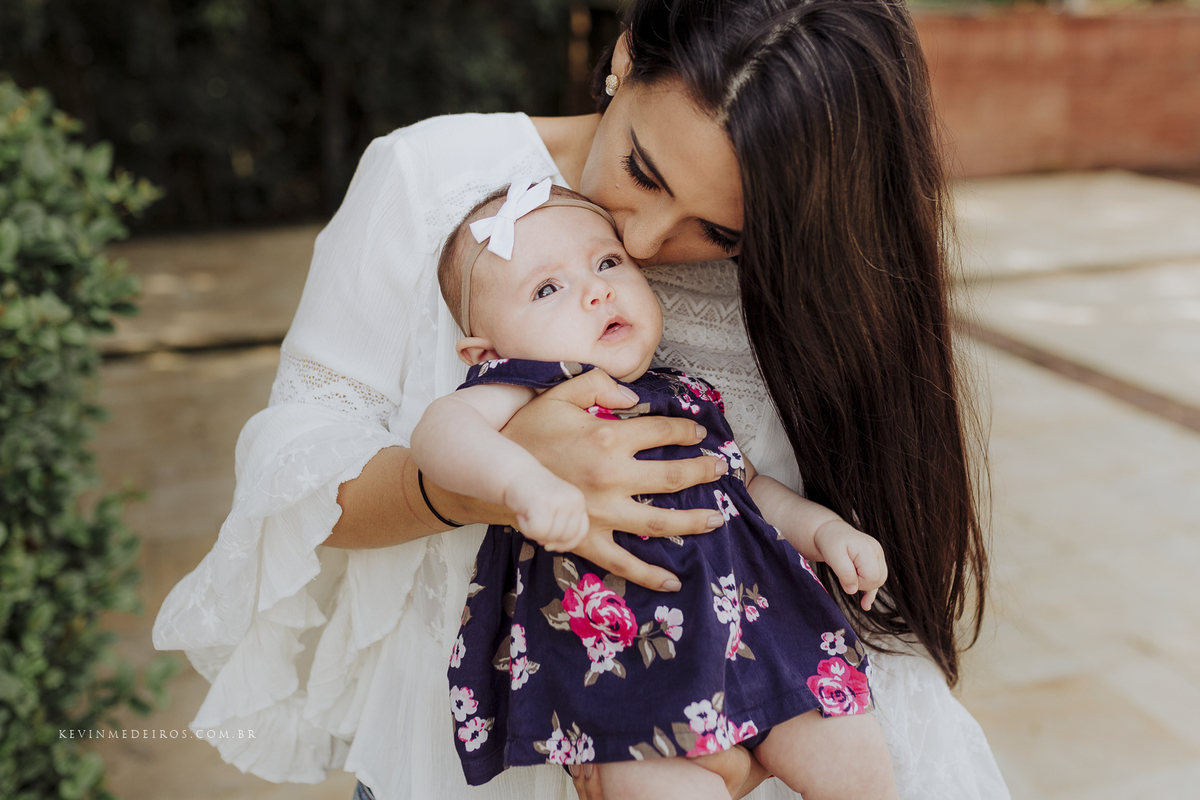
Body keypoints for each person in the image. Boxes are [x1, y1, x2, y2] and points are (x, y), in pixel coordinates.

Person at [153, 1, 1009, 799]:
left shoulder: (820, 267)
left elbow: (793, 512)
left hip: (763, 720)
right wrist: (494, 482)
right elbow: (300, 488)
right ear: (625, 56)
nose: (636, 244)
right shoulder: (432, 178)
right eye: (643, 167)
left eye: (718, 232)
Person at [414, 179, 893, 799]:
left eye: (607, 262)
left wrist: (825, 530)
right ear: (487, 350)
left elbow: (748, 488)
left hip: (755, 629)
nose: (596, 290)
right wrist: (521, 480)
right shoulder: (529, 390)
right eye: (548, 288)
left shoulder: (685, 392)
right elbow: (438, 432)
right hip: (621, 664)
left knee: (859, 766)